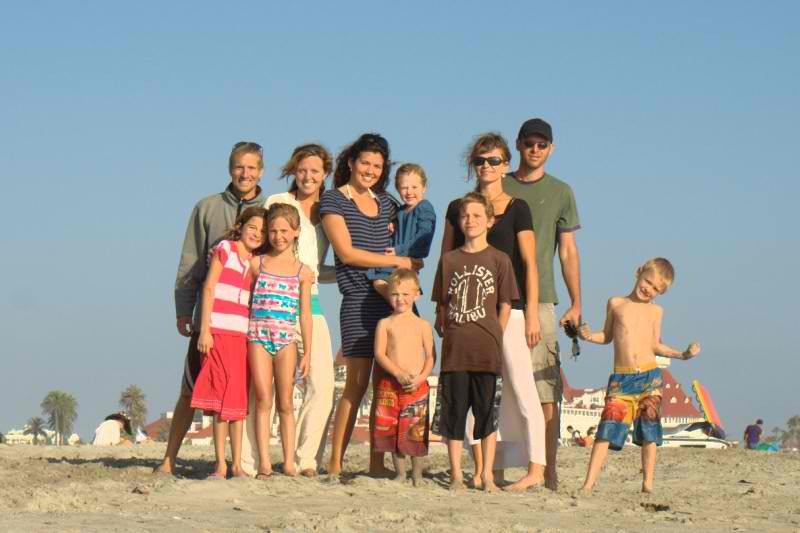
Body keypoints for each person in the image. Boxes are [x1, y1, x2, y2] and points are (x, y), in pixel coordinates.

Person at [439, 133, 546, 491]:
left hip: (510, 312)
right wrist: (443, 313)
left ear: (506, 164)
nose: (487, 167)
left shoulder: (518, 208)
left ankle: (536, 469)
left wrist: (531, 313)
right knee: (474, 394)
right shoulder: (457, 208)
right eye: (480, 161)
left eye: (494, 160)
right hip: (466, 320)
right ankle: (485, 469)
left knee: (520, 387)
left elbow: (530, 265)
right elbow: (446, 260)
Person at [156, 141, 267, 476]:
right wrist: (183, 308)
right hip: (210, 318)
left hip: (249, 320)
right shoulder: (207, 207)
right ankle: (169, 458)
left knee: (239, 394)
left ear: (260, 171)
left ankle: (240, 463)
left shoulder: (270, 208)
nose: (245, 174)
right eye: (239, 167)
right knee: (191, 387)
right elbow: (190, 262)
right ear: (230, 168)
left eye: (252, 168)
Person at [320, 133, 422, 476]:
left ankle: (376, 464)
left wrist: (408, 263)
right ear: (350, 162)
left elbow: (406, 244)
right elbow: (347, 253)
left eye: (378, 166)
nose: (370, 170)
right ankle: (335, 463)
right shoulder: (334, 200)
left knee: (387, 386)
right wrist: (396, 262)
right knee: (357, 383)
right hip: (359, 303)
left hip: (393, 304)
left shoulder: (389, 203)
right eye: (365, 163)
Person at [241, 144, 337, 478]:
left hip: (308, 304)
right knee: (261, 389)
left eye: (315, 170)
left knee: (322, 384)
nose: (308, 176)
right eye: (302, 170)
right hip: (269, 309)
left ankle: (303, 458)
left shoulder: (330, 209)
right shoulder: (278, 203)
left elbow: (318, 266)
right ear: (293, 171)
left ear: (325, 173)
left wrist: (333, 276)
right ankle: (252, 461)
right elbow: (264, 249)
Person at [503, 118, 583, 490]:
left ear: (551, 149)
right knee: (494, 388)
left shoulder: (562, 191)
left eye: (542, 144)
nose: (535, 150)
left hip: (543, 301)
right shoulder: (497, 183)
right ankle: (494, 466)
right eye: (529, 143)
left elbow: (567, 251)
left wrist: (576, 302)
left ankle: (547, 470)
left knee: (544, 388)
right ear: (518, 144)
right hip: (496, 298)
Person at [577, 258, 701, 493]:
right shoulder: (616, 303)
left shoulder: (656, 311)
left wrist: (682, 354)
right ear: (638, 272)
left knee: (650, 433)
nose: (649, 290)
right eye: (648, 282)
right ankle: (588, 484)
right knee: (606, 430)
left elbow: (656, 345)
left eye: (657, 289)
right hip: (621, 379)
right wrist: (587, 336)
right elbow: (607, 336)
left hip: (649, 378)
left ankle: (647, 483)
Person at [432, 192, 518, 492]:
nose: (470, 221)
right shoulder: (448, 260)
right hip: (455, 352)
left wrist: (498, 332)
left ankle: (487, 476)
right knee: (455, 415)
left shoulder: (500, 259)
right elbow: (441, 303)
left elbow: (506, 303)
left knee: (487, 417)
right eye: (465, 216)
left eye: (477, 216)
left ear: (490, 221)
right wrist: (444, 326)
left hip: (486, 351)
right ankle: (456, 474)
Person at [189, 207, 267, 479]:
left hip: (242, 336)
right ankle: (220, 463)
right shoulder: (226, 248)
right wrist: (204, 330)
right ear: (241, 226)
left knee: (237, 403)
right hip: (218, 332)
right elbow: (209, 287)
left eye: (262, 231)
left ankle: (237, 465)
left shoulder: (257, 261)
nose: (257, 233)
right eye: (253, 227)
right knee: (220, 401)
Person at [247, 203, 314, 478]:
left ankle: (289, 461)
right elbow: (247, 300)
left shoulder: (303, 271)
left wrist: (307, 351)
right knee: (263, 398)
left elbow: (305, 314)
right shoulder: (257, 264)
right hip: (258, 337)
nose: (278, 236)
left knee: (285, 402)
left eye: (284, 230)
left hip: (286, 339)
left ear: (296, 232)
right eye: (273, 231)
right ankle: (264, 461)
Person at [373, 269, 435, 486]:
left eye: (406, 294)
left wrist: (420, 378)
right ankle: (400, 473)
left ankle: (417, 474)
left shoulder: (423, 325)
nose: (400, 299)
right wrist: (397, 372)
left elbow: (430, 357)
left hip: (417, 386)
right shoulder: (385, 323)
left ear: (417, 294)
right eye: (395, 294)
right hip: (391, 385)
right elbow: (380, 353)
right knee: (392, 431)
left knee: (415, 431)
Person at [367, 163, 436, 302]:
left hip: (406, 261)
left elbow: (423, 237)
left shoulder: (424, 207)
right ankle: (404, 304)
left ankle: (404, 306)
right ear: (398, 189)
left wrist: (399, 250)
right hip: (395, 262)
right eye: (404, 188)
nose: (409, 192)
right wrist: (391, 225)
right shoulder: (400, 211)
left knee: (381, 283)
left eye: (414, 187)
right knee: (380, 282)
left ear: (424, 187)